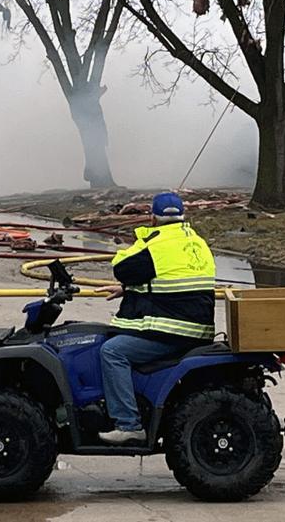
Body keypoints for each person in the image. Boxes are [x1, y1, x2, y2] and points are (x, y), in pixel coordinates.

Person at [96, 191, 216, 445]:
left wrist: (142, 241)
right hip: (197, 329)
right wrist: (129, 290)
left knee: (112, 351)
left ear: (153, 217)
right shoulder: (198, 243)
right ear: (184, 216)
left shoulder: (157, 245)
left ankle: (128, 424)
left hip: (171, 332)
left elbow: (123, 269)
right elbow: (170, 278)